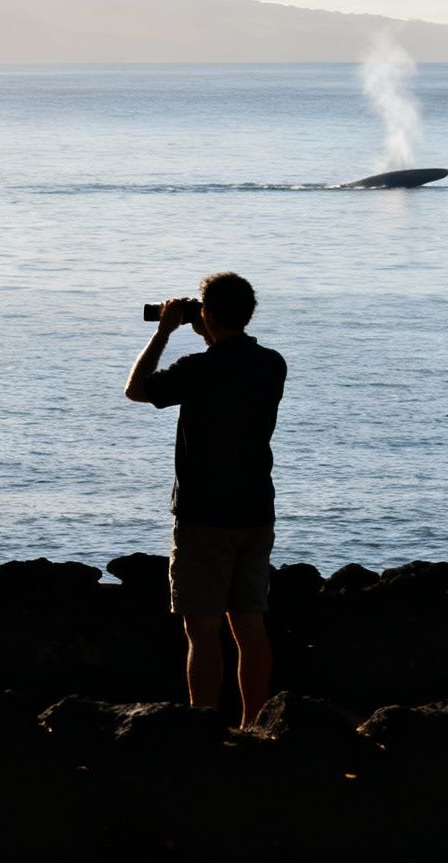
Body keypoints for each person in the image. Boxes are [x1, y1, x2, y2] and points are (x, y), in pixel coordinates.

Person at [123, 271, 286, 728]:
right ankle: (254, 725)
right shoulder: (272, 363)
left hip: (203, 514)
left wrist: (163, 331)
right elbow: (233, 359)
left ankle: (203, 728)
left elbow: (137, 390)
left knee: (202, 629)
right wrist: (208, 327)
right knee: (250, 625)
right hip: (255, 510)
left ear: (208, 314)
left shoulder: (199, 367)